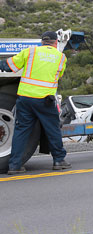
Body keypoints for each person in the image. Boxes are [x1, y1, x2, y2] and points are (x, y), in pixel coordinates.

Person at [0, 31, 71, 174]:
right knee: (52, 129)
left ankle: (14, 166)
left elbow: (9, 66)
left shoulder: (30, 52)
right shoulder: (61, 57)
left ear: (42, 42)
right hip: (45, 100)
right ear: (56, 42)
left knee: (21, 131)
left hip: (25, 99)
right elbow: (59, 74)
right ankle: (58, 160)